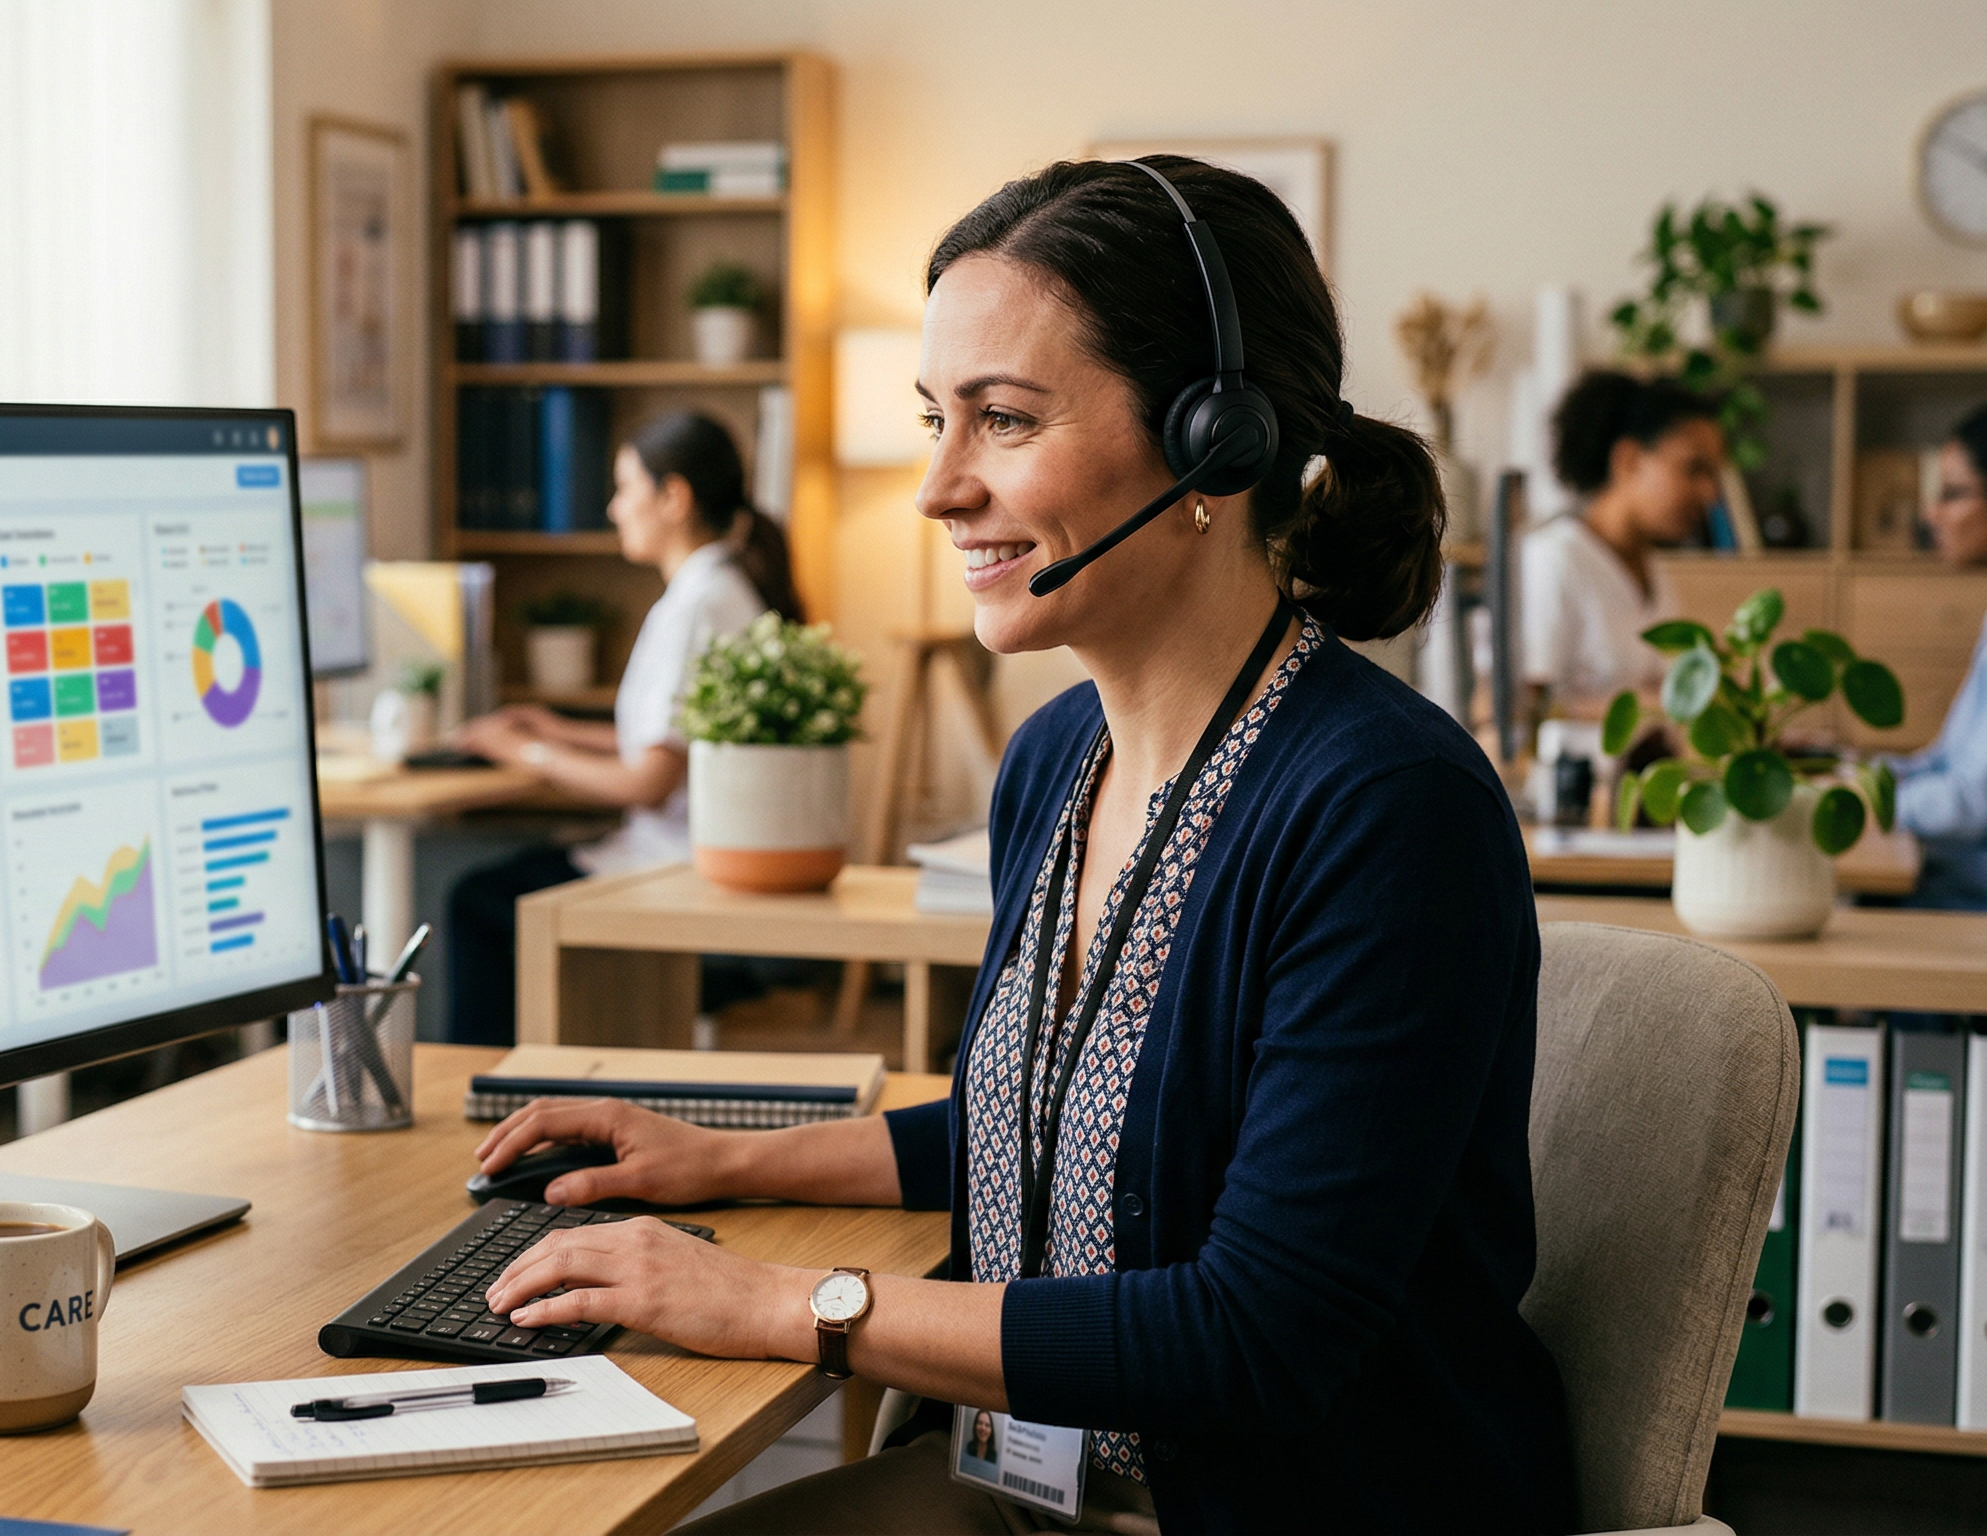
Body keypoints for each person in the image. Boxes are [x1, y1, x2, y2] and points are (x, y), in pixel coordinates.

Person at [471, 157, 1574, 1535]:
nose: (939, 488)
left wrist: (775, 1303)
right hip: (1034, 1494)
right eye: (936, 419)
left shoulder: (1386, 809)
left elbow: (1257, 1336)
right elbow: (1047, 1130)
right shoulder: (1054, 762)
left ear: (1213, 445)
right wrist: (722, 1156)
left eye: (1001, 422)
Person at [441, 411, 804, 1045]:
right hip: (685, 857)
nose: (614, 509)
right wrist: (559, 729)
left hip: (674, 870)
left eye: (625, 489)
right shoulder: (721, 587)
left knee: (477, 901)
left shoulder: (697, 604)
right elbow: (683, 740)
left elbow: (649, 783)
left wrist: (527, 752)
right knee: (503, 881)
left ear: (674, 498)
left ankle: (489, 1093)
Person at [1519, 370, 1724, 720]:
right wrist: (1655, 705)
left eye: (1713, 475)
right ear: (1628, 459)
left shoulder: (1653, 569)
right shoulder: (1553, 558)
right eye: (1694, 469)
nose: (1710, 494)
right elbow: (1523, 708)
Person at [1890, 404, 1987, 910]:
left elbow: (1971, 802)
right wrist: (1855, 773)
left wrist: (1866, 805)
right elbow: (1947, 764)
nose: (1931, 514)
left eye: (1952, 493)